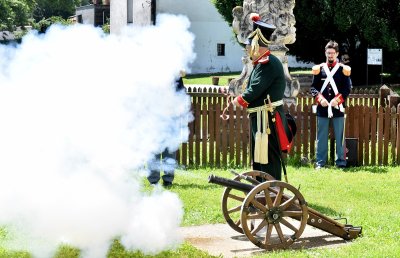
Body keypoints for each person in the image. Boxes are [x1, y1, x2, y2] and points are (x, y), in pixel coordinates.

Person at [232, 13, 291, 181]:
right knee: (259, 154)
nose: (247, 49)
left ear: (257, 45)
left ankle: (271, 190)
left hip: (268, 117)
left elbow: (255, 89)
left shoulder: (269, 63)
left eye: (249, 45)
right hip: (261, 116)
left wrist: (239, 100)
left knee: (268, 155)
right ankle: (260, 188)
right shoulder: (261, 63)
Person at [310, 40, 352, 169]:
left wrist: (337, 100)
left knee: (339, 137)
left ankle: (341, 162)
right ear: (325, 53)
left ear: (337, 54)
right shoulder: (320, 69)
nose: (330, 55)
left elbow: (347, 88)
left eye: (333, 53)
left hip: (337, 108)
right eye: (328, 53)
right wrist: (320, 99)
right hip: (323, 108)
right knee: (321, 137)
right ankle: (320, 163)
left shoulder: (342, 70)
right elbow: (313, 88)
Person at [147, 72, 185, 187]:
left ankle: (168, 179)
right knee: (155, 150)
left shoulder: (176, 75)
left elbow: (181, 94)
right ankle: (154, 180)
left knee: (170, 149)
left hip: (172, 116)